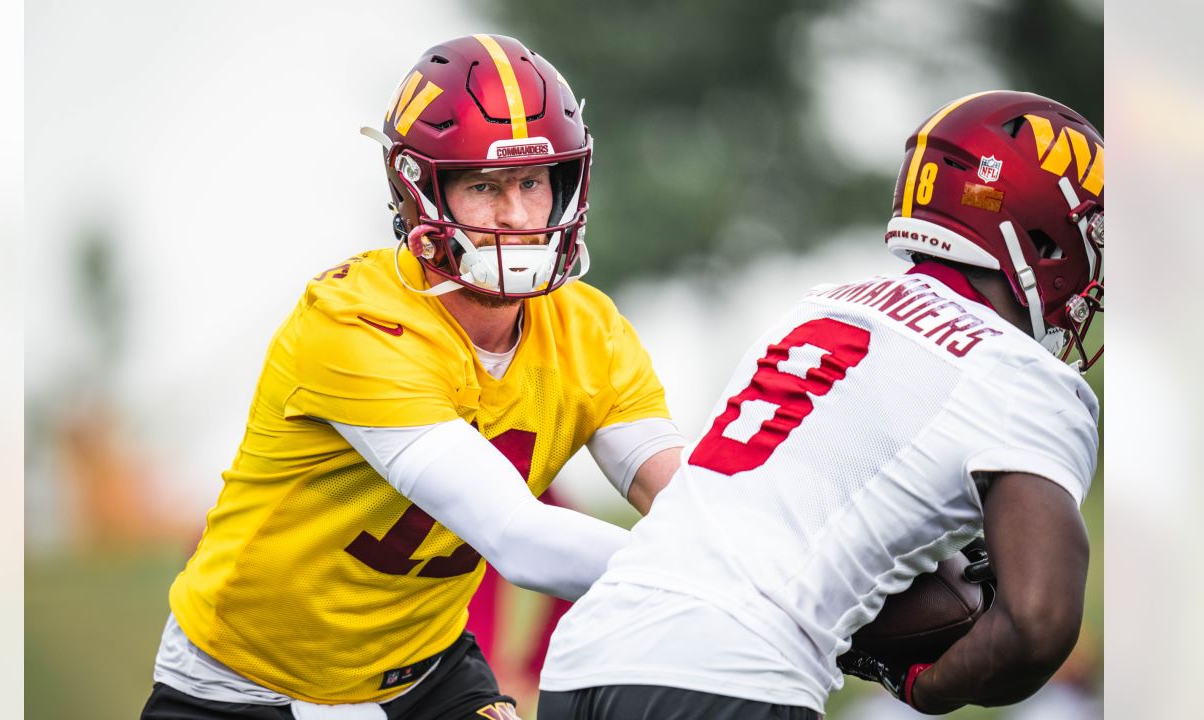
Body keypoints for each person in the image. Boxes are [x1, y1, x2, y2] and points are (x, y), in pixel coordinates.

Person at [140, 34, 684, 720]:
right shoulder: (353, 322)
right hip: (243, 689)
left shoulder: (590, 328)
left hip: (424, 678)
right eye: (483, 186)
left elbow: (686, 503)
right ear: (418, 191)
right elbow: (520, 537)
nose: (516, 216)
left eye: (532, 182)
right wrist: (711, 583)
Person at [538, 90, 1104, 719]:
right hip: (732, 677)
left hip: (582, 662)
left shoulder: (821, 304)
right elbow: (1039, 622)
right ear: (1041, 236)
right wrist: (926, 687)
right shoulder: (1024, 378)